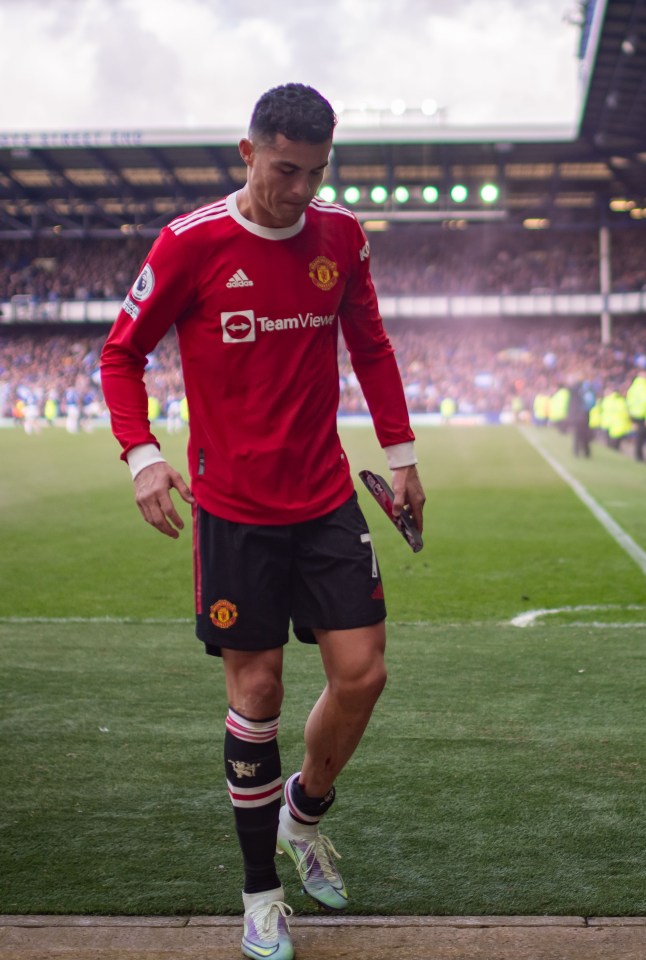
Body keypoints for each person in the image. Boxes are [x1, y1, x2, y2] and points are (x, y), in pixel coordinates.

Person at [100, 83, 425, 960]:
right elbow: (120, 355)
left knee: (363, 675)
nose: (301, 192)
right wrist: (142, 456)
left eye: (316, 173)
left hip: (324, 495)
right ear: (248, 154)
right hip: (235, 511)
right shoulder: (189, 244)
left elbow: (371, 346)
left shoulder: (341, 236)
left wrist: (400, 456)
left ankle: (303, 812)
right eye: (286, 171)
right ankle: (260, 896)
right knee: (259, 694)